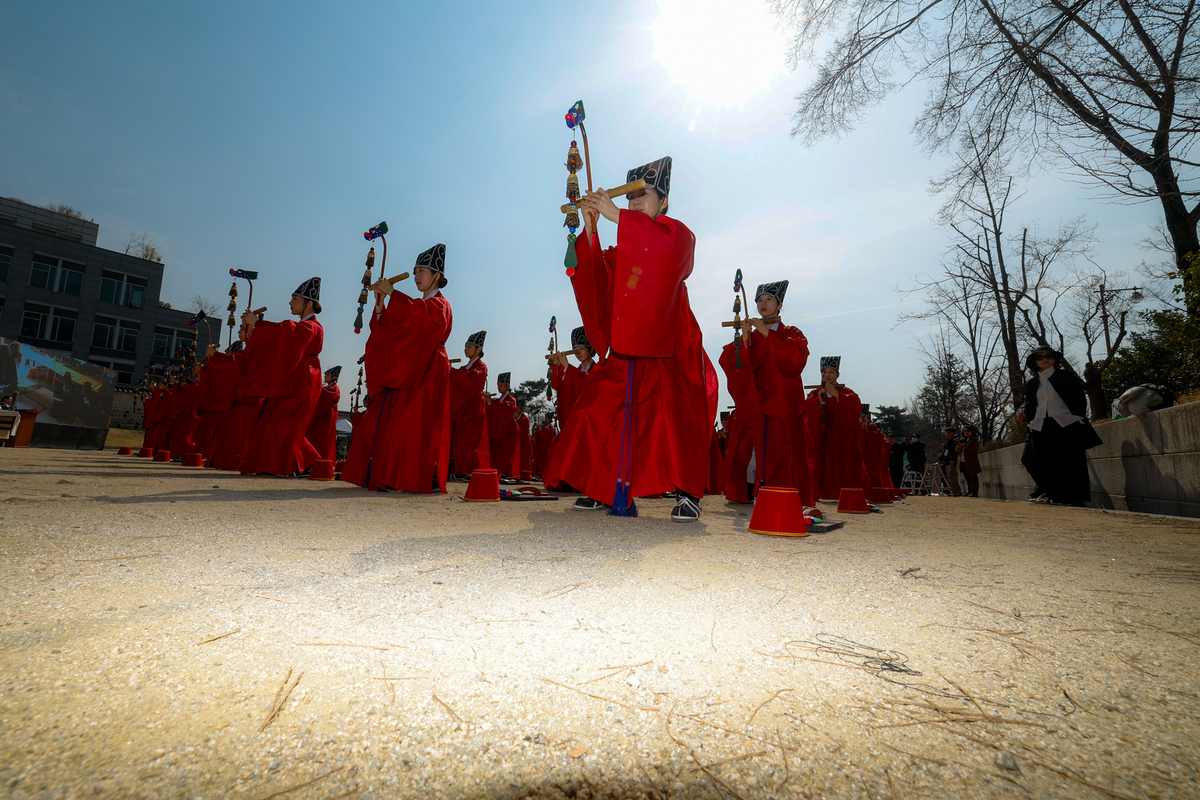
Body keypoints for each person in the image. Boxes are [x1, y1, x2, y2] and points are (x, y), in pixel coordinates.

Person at [549, 156, 717, 521]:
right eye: (630, 197)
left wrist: (618, 217)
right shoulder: (622, 249)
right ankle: (604, 486)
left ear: (664, 202)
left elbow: (666, 254)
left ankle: (688, 492)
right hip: (629, 343)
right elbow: (597, 277)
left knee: (676, 416)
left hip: (672, 339)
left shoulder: (677, 234)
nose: (635, 202)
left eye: (644, 195)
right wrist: (591, 230)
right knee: (599, 405)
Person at [341, 245, 453, 493]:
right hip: (410, 369)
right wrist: (381, 306)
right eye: (415, 272)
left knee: (417, 427)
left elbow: (422, 319)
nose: (416, 276)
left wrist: (394, 293)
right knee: (396, 425)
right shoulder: (418, 304)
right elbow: (394, 329)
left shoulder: (440, 304)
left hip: (429, 369)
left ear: (437, 275)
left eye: (422, 271)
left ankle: (417, 477)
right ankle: (391, 475)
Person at [718, 280, 813, 505]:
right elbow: (731, 361)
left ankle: (778, 494)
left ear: (779, 305)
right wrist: (743, 340)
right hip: (754, 400)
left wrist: (768, 335)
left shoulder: (790, 332)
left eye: (769, 299)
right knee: (747, 450)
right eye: (760, 300)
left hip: (780, 401)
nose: (763, 303)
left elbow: (797, 358)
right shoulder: (750, 334)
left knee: (779, 449)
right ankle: (745, 490)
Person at [239, 277, 325, 476]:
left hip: (304, 380)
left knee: (282, 422)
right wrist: (254, 328)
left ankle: (297, 464)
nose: (290, 303)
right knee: (271, 419)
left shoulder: (313, 326)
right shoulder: (304, 325)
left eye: (295, 299)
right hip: (293, 377)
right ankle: (304, 462)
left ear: (309, 303)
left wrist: (259, 325)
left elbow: (289, 333)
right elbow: (284, 338)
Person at [1017, 347, 1102, 506]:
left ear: (1055, 359)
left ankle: (1075, 499)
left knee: (1072, 462)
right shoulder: (1032, 383)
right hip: (1040, 425)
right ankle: (1054, 495)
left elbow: (1078, 397)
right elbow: (1030, 403)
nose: (1044, 359)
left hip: (1066, 422)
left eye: (1048, 356)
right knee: (1046, 462)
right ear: (1034, 362)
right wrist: (1028, 419)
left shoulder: (1065, 376)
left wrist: (1077, 417)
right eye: (1040, 357)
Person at [805, 357, 867, 501]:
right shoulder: (816, 391)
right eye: (824, 372)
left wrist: (838, 395)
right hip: (822, 432)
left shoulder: (845, 391)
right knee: (820, 461)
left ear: (838, 375)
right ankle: (819, 491)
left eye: (831, 372)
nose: (827, 375)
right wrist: (818, 400)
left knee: (842, 463)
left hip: (840, 432)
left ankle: (843, 492)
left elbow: (855, 406)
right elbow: (807, 406)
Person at [448, 331, 489, 478]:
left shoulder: (481, 366)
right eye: (465, 346)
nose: (466, 349)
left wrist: (451, 371)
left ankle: (469, 470)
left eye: (469, 346)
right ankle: (457, 470)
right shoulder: (465, 368)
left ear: (478, 349)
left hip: (473, 409)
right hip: (464, 408)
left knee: (468, 440)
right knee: (458, 440)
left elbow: (469, 381)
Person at [304, 365, 341, 463]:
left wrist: (315, 385)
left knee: (322, 439)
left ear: (333, 377)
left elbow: (322, 394)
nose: (325, 377)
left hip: (326, 416)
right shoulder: (329, 387)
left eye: (327, 375)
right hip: (323, 414)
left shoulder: (333, 388)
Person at [486, 373, 520, 479]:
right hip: (500, 429)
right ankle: (495, 472)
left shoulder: (511, 400)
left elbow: (504, 409)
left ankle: (505, 473)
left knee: (506, 453)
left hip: (509, 430)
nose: (499, 387)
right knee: (496, 452)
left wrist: (492, 402)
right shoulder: (500, 399)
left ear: (507, 386)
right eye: (498, 385)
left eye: (501, 385)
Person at [934, 427, 961, 496]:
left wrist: (953, 459)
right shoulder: (948, 442)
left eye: (949, 432)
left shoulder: (956, 441)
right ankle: (952, 491)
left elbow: (955, 451)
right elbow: (945, 451)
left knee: (951, 476)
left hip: (953, 461)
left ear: (953, 433)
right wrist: (940, 459)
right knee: (948, 477)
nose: (947, 434)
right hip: (946, 461)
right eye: (947, 432)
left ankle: (957, 491)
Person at [957, 424, 982, 497]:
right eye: (965, 431)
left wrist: (964, 445)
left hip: (971, 461)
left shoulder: (974, 440)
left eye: (968, 431)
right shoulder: (962, 439)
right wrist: (959, 447)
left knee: (973, 477)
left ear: (972, 432)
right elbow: (956, 450)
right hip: (962, 460)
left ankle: (974, 492)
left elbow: (974, 450)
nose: (966, 432)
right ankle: (969, 491)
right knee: (967, 478)